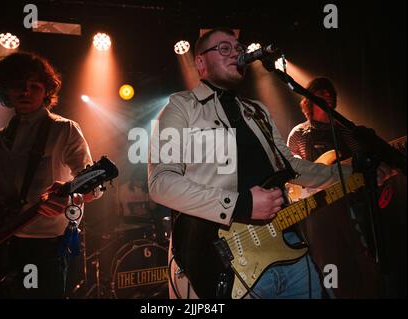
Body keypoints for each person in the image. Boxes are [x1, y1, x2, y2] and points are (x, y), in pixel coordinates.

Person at [147, 28, 396, 299]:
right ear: (200, 62)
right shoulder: (180, 107)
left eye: (239, 48)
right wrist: (241, 203)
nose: (237, 53)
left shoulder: (257, 111)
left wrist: (354, 173)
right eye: (224, 48)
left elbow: (294, 168)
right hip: (229, 259)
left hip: (288, 245)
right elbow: (161, 182)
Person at [0, 52, 102, 298]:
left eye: (34, 86)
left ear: (46, 91)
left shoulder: (64, 130)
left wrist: (67, 198)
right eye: (18, 85)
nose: (25, 92)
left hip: (44, 246)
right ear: (5, 90)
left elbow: (92, 188)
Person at [286, 77, 381, 298]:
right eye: (321, 95)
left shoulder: (345, 131)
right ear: (308, 102)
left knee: (362, 257)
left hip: (350, 203)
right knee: (329, 263)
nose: (327, 97)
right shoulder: (299, 133)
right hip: (318, 211)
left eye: (330, 95)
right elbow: (293, 174)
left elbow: (362, 161)